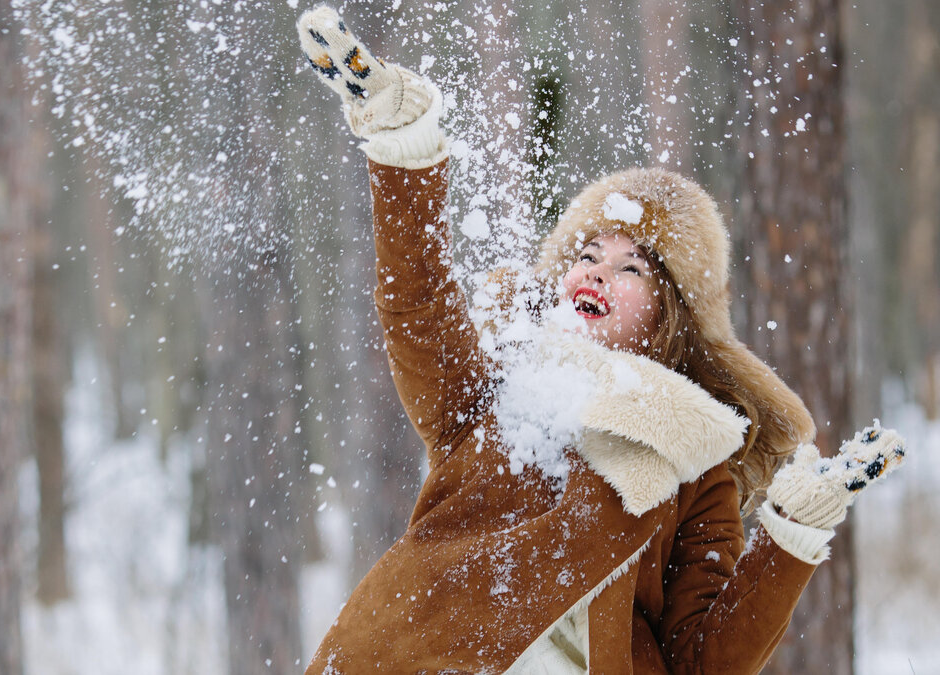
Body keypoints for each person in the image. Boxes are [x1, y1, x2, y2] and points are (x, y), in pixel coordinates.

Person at [295, 6, 906, 674]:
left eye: (632, 268)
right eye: (587, 254)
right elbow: (417, 304)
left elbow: (702, 662)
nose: (595, 271)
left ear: (669, 317)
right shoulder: (496, 388)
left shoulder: (696, 472)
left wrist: (790, 536)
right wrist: (406, 149)